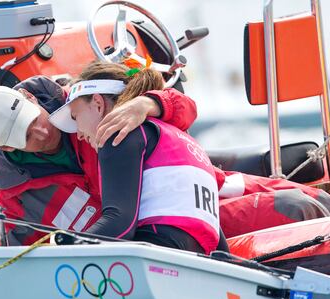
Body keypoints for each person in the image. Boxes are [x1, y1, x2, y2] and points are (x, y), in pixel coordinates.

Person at [0, 75, 201, 247]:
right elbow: (3, 270)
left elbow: (188, 108)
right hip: (141, 247)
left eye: (34, 119)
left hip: (191, 201)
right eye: (27, 135)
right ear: (5, 147)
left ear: (30, 97)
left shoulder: (86, 100)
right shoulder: (13, 205)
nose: (42, 132)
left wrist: (149, 104)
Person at [48, 61, 220, 254]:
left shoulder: (120, 135)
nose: (78, 134)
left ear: (97, 103)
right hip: (198, 260)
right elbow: (216, 237)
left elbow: (119, 225)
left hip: (158, 254)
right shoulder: (185, 140)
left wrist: (60, 248)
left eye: (75, 116)